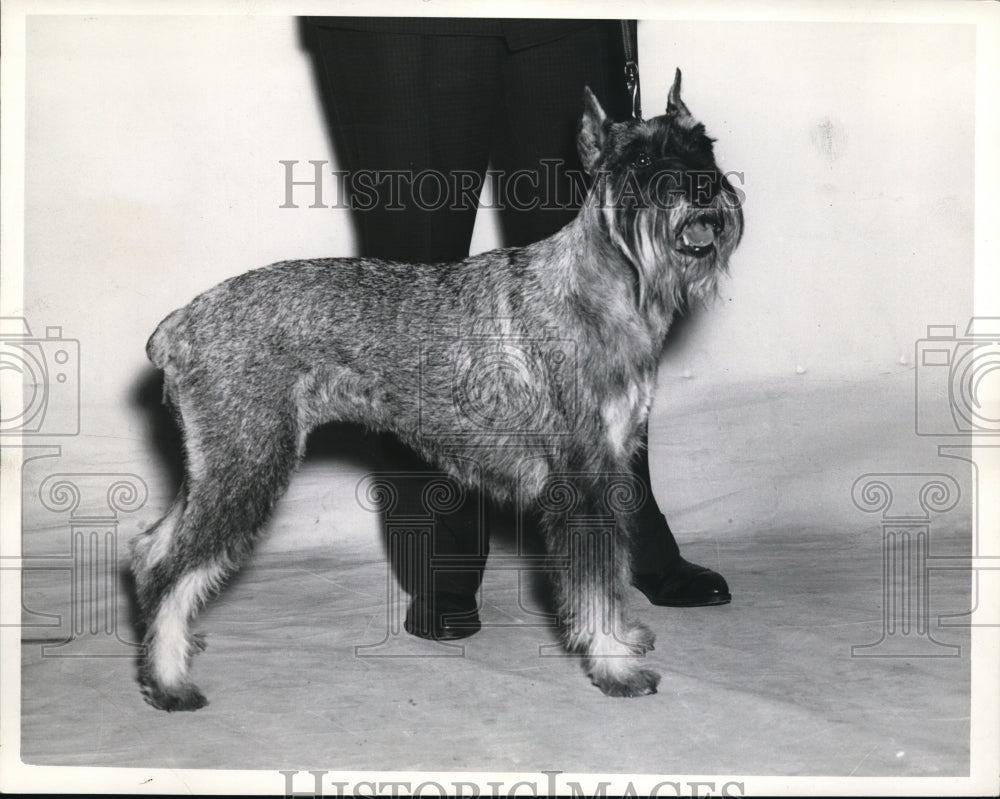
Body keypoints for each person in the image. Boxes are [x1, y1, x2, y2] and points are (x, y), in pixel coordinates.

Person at [300, 17, 731, 640]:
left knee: (600, 290)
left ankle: (630, 533)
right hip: (399, 23)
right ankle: (442, 566)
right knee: (413, 303)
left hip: (558, 18)